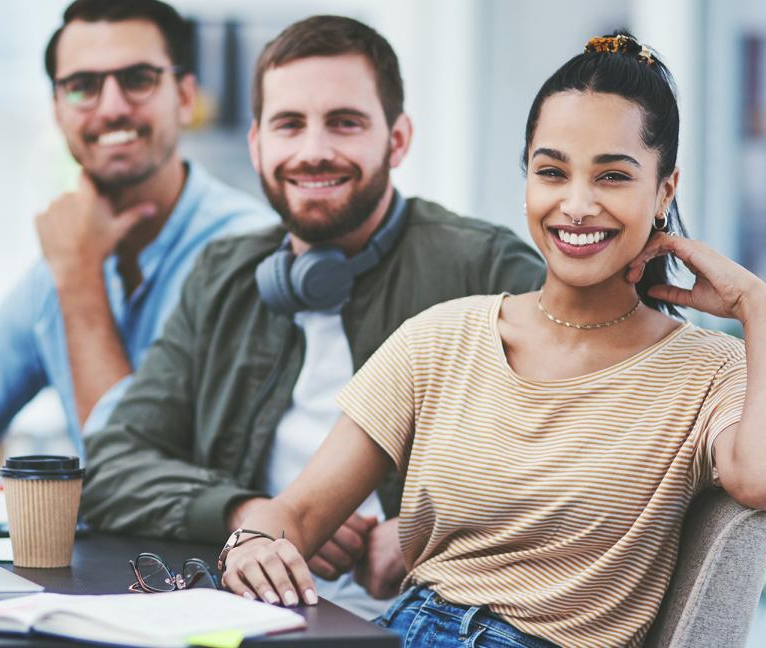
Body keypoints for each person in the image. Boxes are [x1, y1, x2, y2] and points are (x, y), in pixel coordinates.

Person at [219, 32, 766, 647]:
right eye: (552, 172)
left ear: (664, 189)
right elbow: (297, 512)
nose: (577, 205)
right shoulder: (441, 338)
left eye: (613, 176)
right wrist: (255, 541)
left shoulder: (709, 370)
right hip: (399, 630)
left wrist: (757, 305)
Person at [80, 16, 544, 618]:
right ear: (257, 144)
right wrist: (252, 514)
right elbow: (111, 463)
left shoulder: (485, 267)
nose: (314, 151)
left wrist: (430, 530)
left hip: (429, 622)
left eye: (345, 122)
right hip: (252, 613)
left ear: (398, 140)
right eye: (289, 124)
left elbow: (590, 449)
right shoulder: (222, 274)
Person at [0, 0, 275, 497]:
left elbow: (145, 480)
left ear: (184, 96)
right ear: (57, 110)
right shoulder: (65, 255)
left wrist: (80, 277)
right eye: (83, 86)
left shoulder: (248, 252)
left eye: (138, 79)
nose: (111, 107)